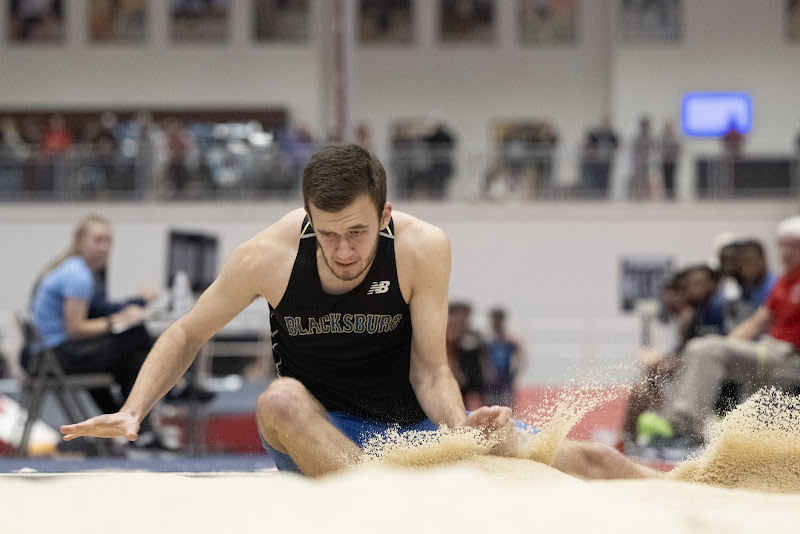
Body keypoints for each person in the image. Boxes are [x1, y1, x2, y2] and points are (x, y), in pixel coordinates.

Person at [61, 144, 657, 479]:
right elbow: (188, 331)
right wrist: (134, 409)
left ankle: (720, 484)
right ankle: (381, 502)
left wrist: (458, 429)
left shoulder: (423, 248)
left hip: (413, 431)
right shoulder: (266, 257)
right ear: (306, 220)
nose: (344, 251)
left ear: (386, 216)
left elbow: (429, 370)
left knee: (598, 461)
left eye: (358, 232)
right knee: (278, 398)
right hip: (323, 431)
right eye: (327, 235)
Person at [28, 213, 165, 449]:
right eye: (98, 240)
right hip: (54, 358)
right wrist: (118, 321)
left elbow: (96, 312)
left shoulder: (75, 270)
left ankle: (137, 428)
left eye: (108, 241)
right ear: (81, 241)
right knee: (137, 336)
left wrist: (125, 313)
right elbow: (76, 330)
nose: (104, 247)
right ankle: (173, 391)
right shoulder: (78, 275)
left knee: (133, 360)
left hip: (53, 354)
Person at [660, 216, 800, 441]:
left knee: (710, 349)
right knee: (700, 347)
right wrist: (727, 345)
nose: (785, 252)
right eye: (782, 245)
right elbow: (756, 322)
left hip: (789, 357)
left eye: (793, 246)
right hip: (769, 350)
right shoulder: (784, 282)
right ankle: (671, 422)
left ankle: (687, 426)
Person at [483, 308, 525, 408]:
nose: (497, 323)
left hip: (506, 379)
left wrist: (516, 373)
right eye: (495, 320)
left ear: (503, 321)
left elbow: (521, 357)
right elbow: (482, 358)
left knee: (509, 406)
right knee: (489, 408)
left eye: (499, 320)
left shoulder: (510, 340)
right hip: (490, 380)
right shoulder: (487, 340)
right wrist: (486, 372)